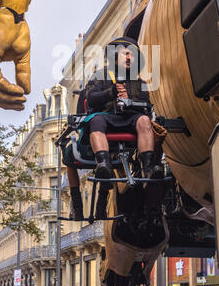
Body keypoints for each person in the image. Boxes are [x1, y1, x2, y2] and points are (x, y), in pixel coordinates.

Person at [68, 36, 163, 221]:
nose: (130, 58)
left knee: (144, 120)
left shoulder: (140, 81)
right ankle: (103, 164)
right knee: (96, 121)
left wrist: (131, 103)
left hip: (130, 118)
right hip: (106, 119)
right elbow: (91, 98)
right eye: (125, 53)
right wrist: (111, 92)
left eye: (133, 55)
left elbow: (147, 105)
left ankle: (148, 168)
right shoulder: (101, 75)